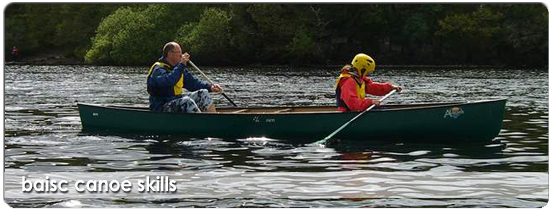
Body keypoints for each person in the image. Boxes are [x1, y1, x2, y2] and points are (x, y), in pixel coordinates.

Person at [147, 42, 222, 113]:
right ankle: (202, 123)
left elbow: (193, 83)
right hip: (161, 107)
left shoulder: (178, 68)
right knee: (186, 101)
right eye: (179, 52)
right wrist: (181, 65)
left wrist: (210, 87)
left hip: (176, 101)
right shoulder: (158, 69)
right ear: (170, 54)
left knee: (203, 93)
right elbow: (169, 82)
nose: (181, 55)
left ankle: (213, 119)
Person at [335, 53, 402, 112]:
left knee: (382, 109)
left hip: (357, 110)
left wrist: (390, 87)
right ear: (362, 69)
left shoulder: (359, 78)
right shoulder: (348, 81)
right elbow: (352, 103)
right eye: (367, 72)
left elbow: (373, 87)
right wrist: (371, 102)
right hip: (348, 112)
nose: (367, 74)